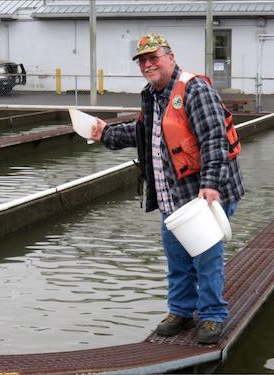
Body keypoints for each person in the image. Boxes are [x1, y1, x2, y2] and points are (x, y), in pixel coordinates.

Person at [90, 33, 244, 345]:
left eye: (153, 57)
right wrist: (104, 133)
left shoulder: (195, 88)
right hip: (171, 196)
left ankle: (212, 316)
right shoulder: (152, 94)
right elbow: (142, 133)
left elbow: (213, 139)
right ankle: (181, 311)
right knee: (176, 258)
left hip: (203, 195)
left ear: (170, 57)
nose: (148, 64)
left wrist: (211, 185)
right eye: (142, 60)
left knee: (206, 258)